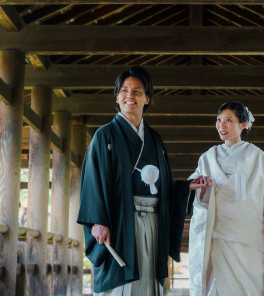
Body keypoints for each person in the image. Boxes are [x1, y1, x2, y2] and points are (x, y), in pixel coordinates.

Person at [77, 66, 210, 295]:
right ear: (117, 97)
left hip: (153, 223)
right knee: (122, 283)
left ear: (147, 98)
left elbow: (164, 185)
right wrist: (97, 221)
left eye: (137, 91)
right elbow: (92, 182)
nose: (130, 95)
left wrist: (184, 188)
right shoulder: (104, 135)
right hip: (119, 224)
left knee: (148, 281)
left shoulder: (155, 139)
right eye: (125, 90)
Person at [188, 101, 264, 296]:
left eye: (228, 120)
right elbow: (197, 194)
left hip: (249, 237)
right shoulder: (206, 158)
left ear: (243, 124)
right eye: (218, 120)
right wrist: (200, 188)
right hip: (218, 236)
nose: (221, 126)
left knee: (250, 288)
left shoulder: (256, 156)